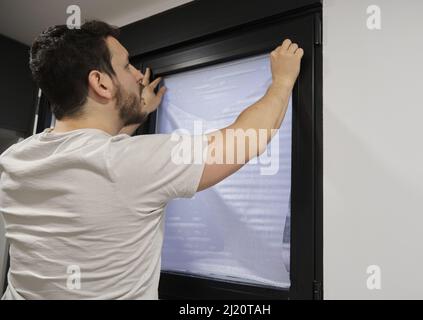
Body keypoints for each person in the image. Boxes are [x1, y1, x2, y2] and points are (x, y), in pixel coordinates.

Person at [0, 20, 303, 299]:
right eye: (126, 65)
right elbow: (244, 140)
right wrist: (282, 81)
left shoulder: (15, 159)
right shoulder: (130, 162)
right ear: (101, 83)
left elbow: (98, 170)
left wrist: (130, 116)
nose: (136, 74)